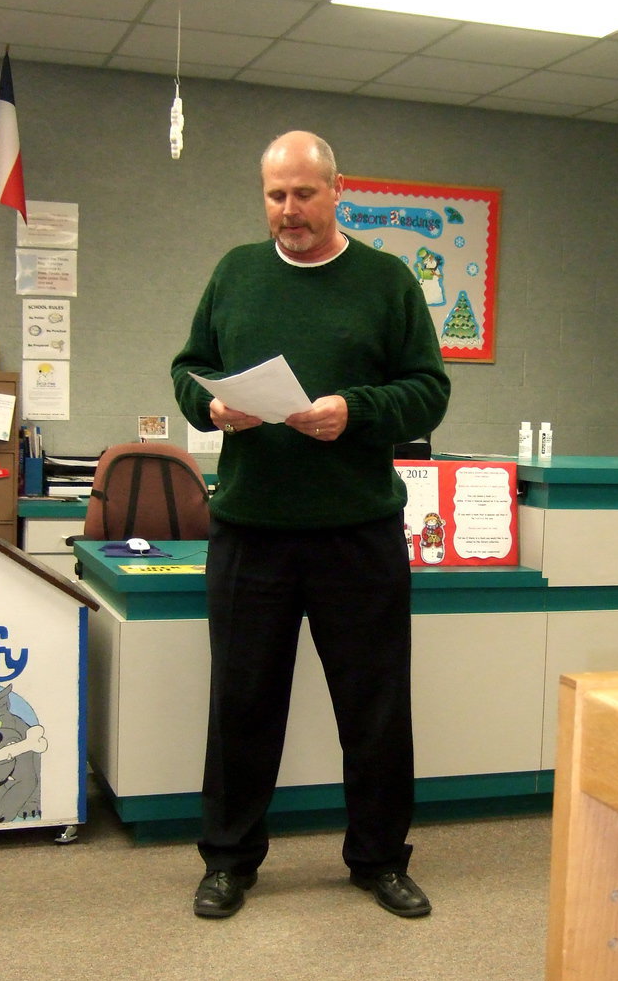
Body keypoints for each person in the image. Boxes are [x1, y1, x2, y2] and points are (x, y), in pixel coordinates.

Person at [171, 130, 451, 920]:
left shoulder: (387, 281)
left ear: (337, 192)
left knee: (374, 707)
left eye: (302, 193)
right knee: (241, 705)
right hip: (250, 530)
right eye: (274, 195)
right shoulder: (235, 272)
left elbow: (428, 390)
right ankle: (228, 861)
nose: (287, 210)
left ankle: (378, 860)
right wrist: (210, 405)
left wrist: (355, 410)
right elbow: (189, 366)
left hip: (355, 532)